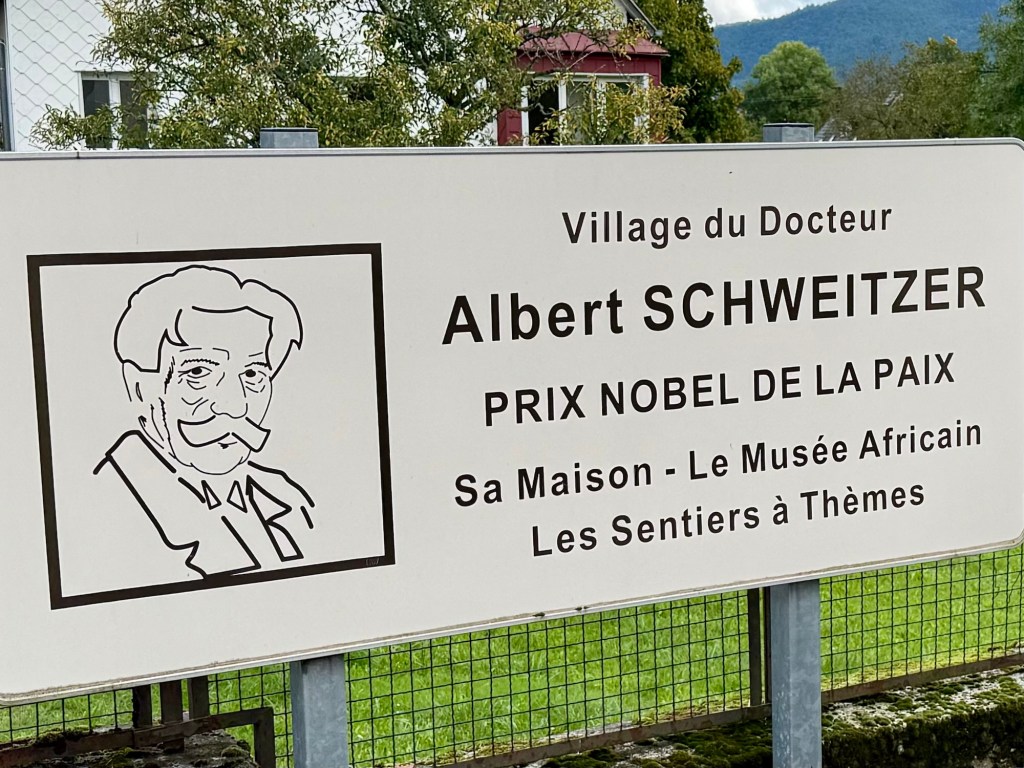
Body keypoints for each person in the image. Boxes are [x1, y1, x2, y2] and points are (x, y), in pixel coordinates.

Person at [94, 265, 315, 581]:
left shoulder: (283, 495)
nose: (235, 407)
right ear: (140, 388)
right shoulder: (107, 504)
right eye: (198, 372)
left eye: (253, 374)